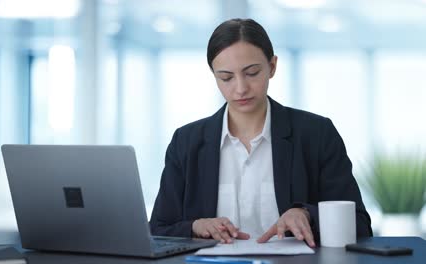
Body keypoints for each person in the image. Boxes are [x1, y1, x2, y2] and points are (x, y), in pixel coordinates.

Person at [149, 18, 372, 247]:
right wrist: (195, 227)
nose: (240, 88)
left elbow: (360, 224)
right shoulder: (186, 142)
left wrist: (306, 214)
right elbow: (157, 229)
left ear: (272, 67)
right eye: (226, 77)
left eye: (252, 73)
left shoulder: (316, 134)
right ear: (214, 75)